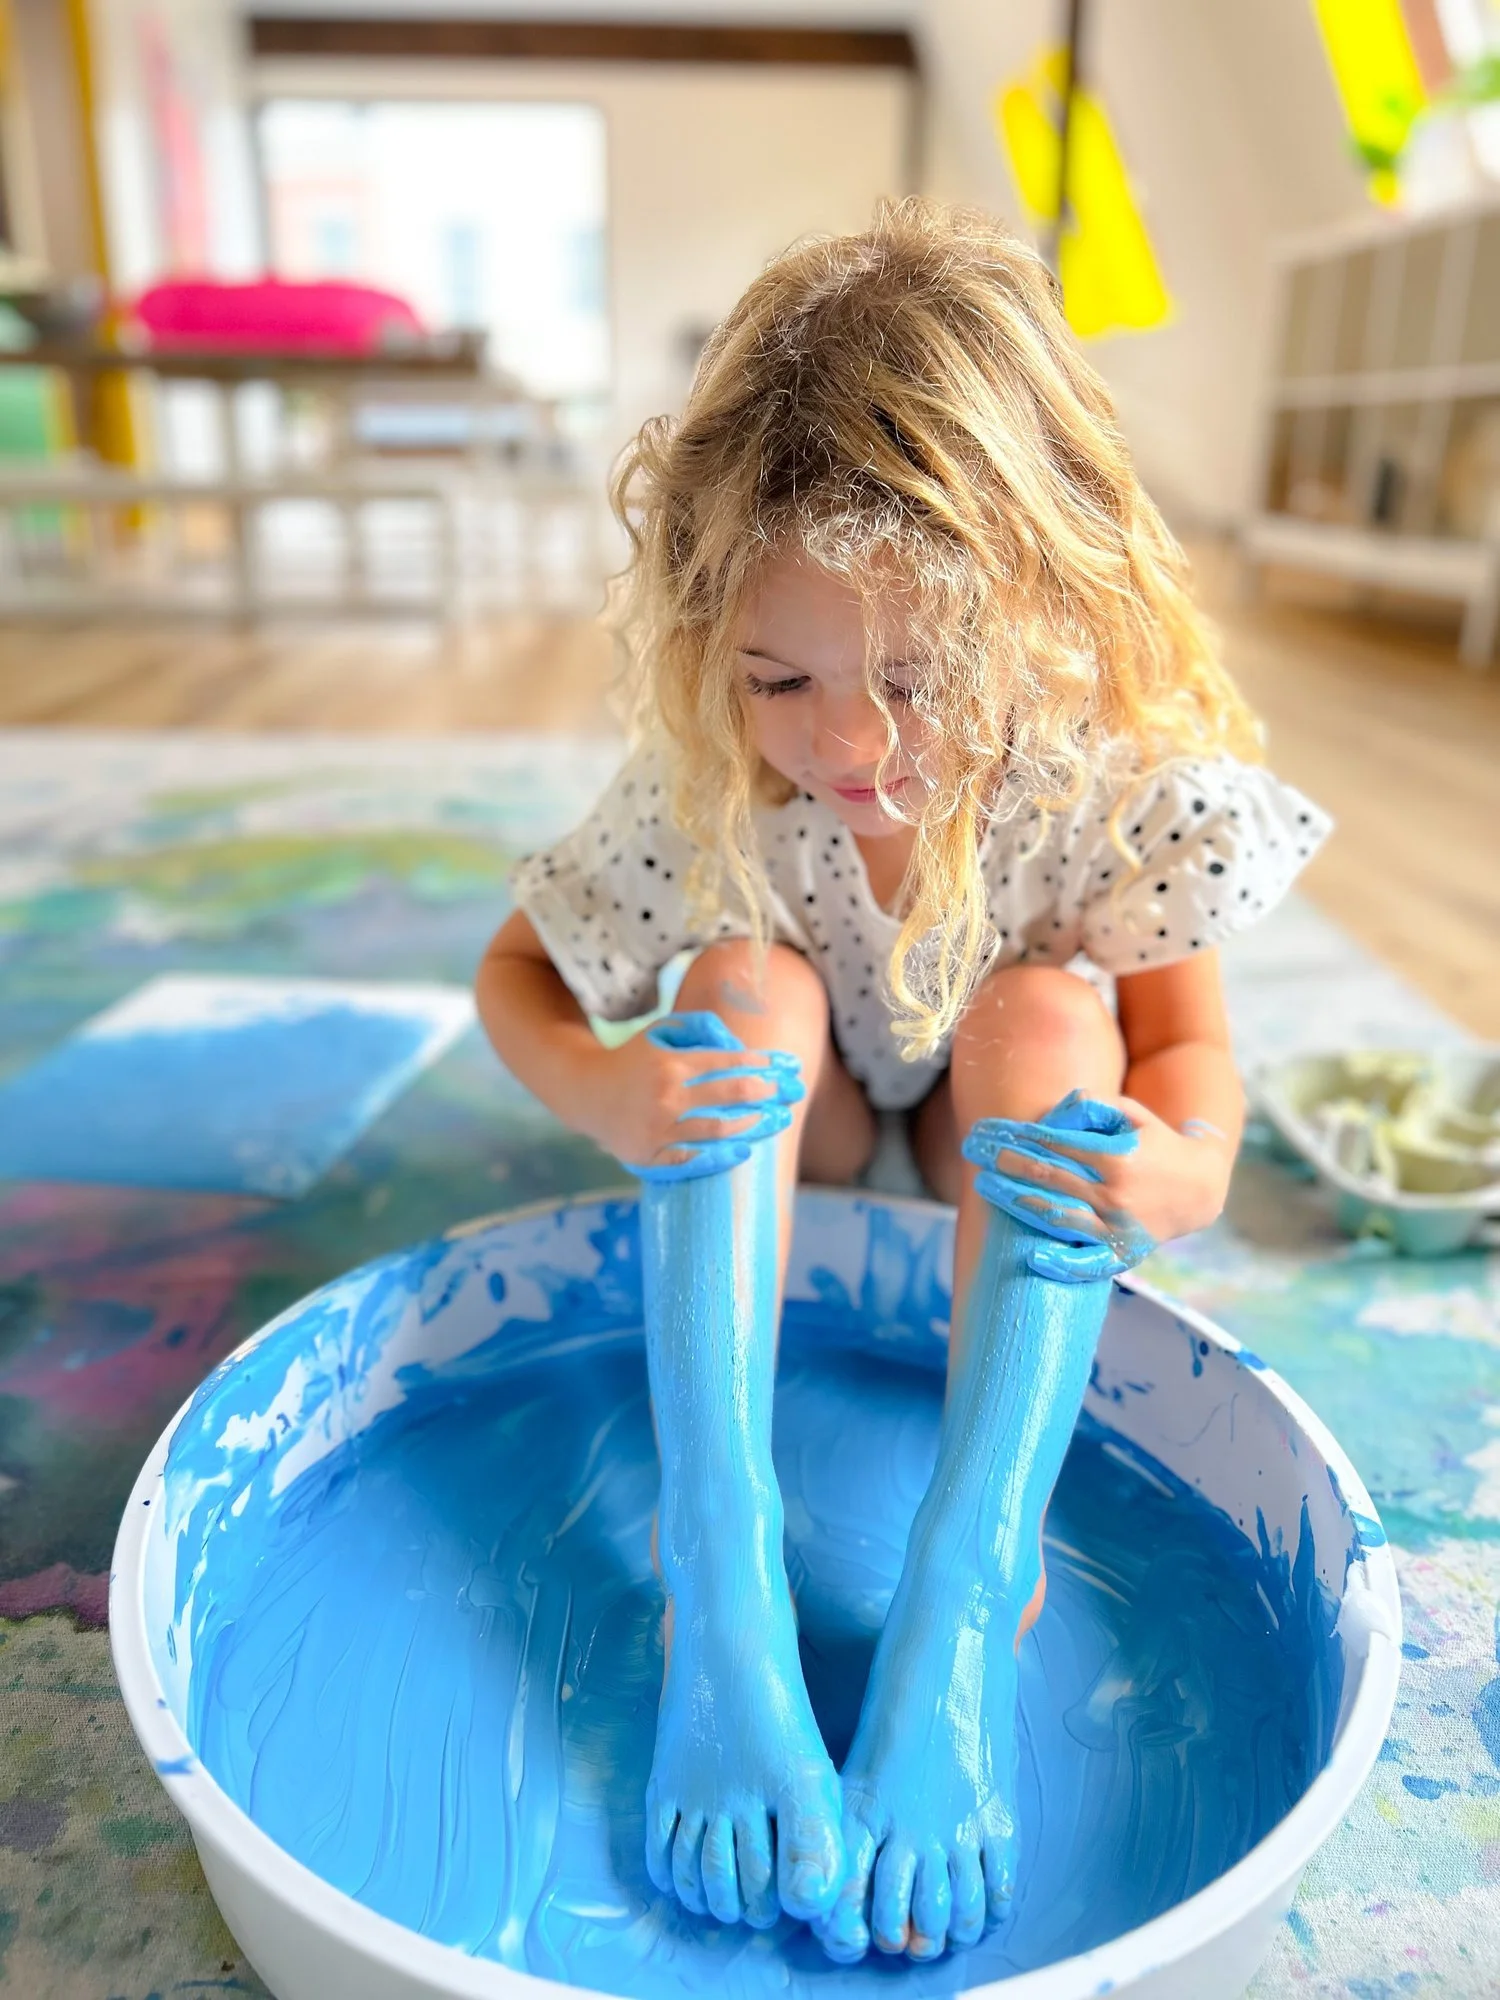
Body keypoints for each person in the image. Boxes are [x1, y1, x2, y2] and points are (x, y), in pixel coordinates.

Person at [475, 198, 1329, 1965]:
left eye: (920, 682)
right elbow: (515, 981)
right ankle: (722, 1581)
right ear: (718, 638)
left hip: (982, 1150)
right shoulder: (723, 786)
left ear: (1040, 622)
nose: (847, 746)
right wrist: (610, 1096)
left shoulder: (1101, 786)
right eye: (782, 676)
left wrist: (1186, 1169)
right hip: (821, 1122)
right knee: (734, 981)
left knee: (1046, 1016)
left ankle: (962, 1602)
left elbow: (1188, 1058)